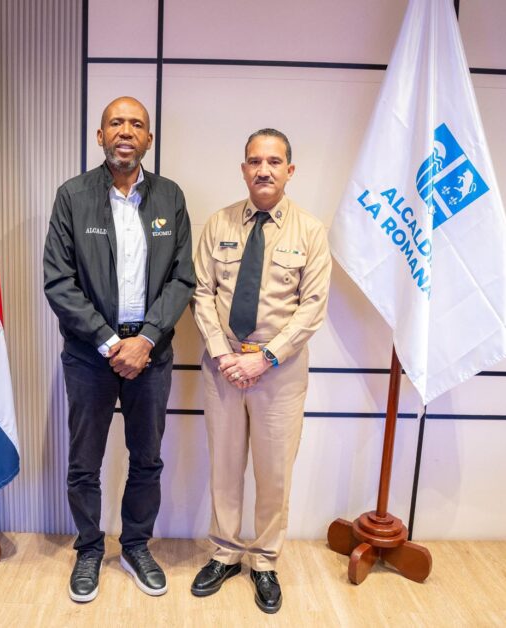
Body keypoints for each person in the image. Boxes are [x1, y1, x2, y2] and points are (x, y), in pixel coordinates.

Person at [43, 96, 195, 603]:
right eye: (115, 123)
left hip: (151, 353)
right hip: (91, 354)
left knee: (146, 458)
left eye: (136, 124)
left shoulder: (170, 197)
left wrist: (145, 338)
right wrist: (111, 343)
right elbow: (58, 282)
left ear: (148, 139)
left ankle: (135, 546)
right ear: (101, 136)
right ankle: (89, 548)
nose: (125, 131)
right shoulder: (73, 196)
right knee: (84, 461)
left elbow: (182, 278)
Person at [190, 128, 331, 614]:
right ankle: (225, 554)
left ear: (290, 170)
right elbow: (201, 293)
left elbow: (312, 306)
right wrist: (222, 354)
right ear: (243, 169)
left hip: (279, 373)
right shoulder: (219, 223)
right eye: (255, 161)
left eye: (273, 162)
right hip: (223, 367)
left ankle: (265, 561)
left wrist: (265, 357)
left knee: (274, 474)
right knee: (225, 469)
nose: (263, 170)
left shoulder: (310, 231)